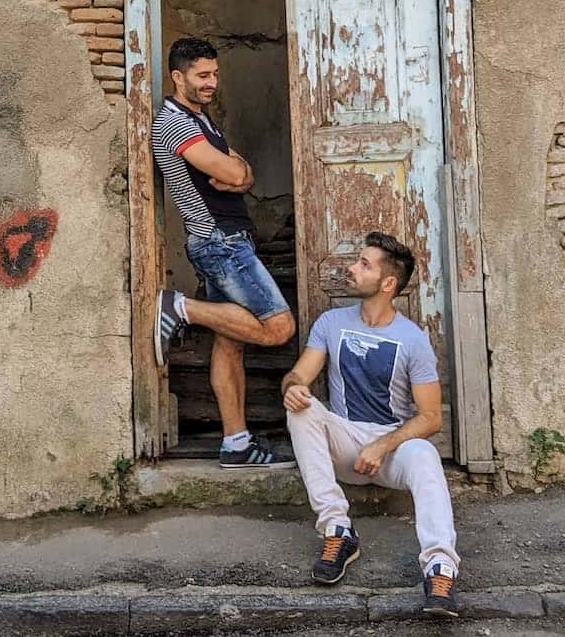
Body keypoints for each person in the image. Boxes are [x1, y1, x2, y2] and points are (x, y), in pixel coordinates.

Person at [280, 232, 461, 617]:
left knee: (425, 456)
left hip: (390, 451)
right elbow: (298, 375)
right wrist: (293, 389)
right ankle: (338, 531)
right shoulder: (331, 323)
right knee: (302, 409)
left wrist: (383, 445)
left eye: (364, 264)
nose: (352, 268)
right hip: (345, 443)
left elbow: (430, 417)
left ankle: (439, 568)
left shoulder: (412, 339)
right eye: (356, 261)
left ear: (388, 283)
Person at [151, 37, 297, 470]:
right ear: (178, 77)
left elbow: (242, 173)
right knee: (278, 327)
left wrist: (240, 173)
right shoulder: (175, 123)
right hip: (218, 241)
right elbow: (232, 169)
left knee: (230, 345)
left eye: (214, 74)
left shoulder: (201, 119)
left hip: (230, 238)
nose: (212, 82)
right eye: (202, 76)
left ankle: (236, 443)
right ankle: (179, 308)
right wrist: (236, 172)